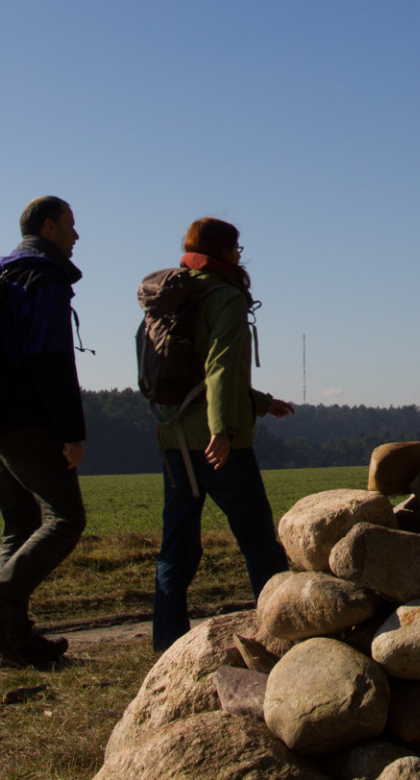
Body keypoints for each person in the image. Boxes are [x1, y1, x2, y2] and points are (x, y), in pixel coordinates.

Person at [152, 217, 293, 651]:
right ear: (223, 250)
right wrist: (223, 429)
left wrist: (261, 402)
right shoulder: (225, 296)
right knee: (259, 545)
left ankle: (166, 643)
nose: (239, 254)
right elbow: (219, 368)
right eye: (235, 246)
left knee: (177, 548)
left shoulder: (173, 295)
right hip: (221, 445)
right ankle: (281, 635)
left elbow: (194, 374)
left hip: (174, 438)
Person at [0, 195, 87, 668]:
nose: (77, 236)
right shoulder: (44, 278)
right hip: (23, 419)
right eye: (71, 226)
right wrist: (71, 432)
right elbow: (51, 361)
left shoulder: (3, 276)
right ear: (50, 226)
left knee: (21, 521)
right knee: (66, 518)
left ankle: (10, 640)